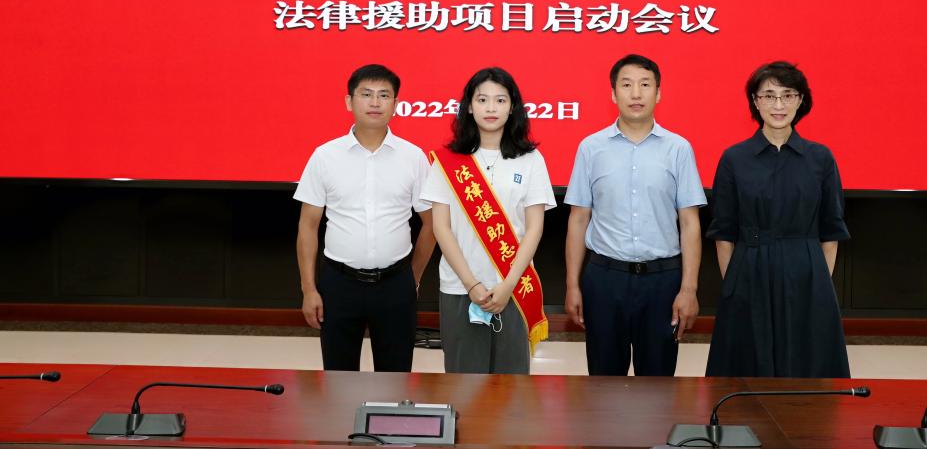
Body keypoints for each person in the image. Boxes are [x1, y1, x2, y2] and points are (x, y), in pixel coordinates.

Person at [705, 61, 851, 378]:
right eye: (769, 96)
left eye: (788, 95)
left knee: (806, 366)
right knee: (747, 366)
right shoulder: (734, 158)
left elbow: (830, 231)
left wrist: (818, 283)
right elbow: (724, 233)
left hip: (806, 272)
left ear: (801, 101)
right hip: (749, 270)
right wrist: (735, 286)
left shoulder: (820, 158)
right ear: (755, 102)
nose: (779, 105)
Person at [564, 54, 706, 376]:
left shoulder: (679, 149)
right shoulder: (591, 148)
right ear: (614, 94)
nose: (636, 94)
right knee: (603, 382)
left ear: (659, 93)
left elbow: (689, 223)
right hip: (604, 279)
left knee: (658, 383)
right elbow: (578, 219)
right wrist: (572, 284)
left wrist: (689, 289)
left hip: (662, 282)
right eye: (627, 85)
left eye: (645, 85)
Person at [294, 64, 435, 372]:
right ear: (349, 101)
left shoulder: (413, 157)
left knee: (395, 377)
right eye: (366, 94)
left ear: (395, 105)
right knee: (339, 377)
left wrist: (413, 277)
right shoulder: (325, 156)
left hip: (396, 283)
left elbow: (432, 223)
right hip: (339, 284)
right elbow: (308, 225)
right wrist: (309, 289)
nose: (375, 102)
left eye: (384, 95)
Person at [421, 67, 556, 374]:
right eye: (482, 100)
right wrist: (471, 283)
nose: (491, 108)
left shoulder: (530, 159)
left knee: (512, 383)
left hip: (514, 286)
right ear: (469, 106)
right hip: (460, 286)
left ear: (512, 107)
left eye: (500, 100)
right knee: (463, 381)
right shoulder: (448, 160)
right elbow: (441, 227)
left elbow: (534, 228)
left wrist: (508, 285)